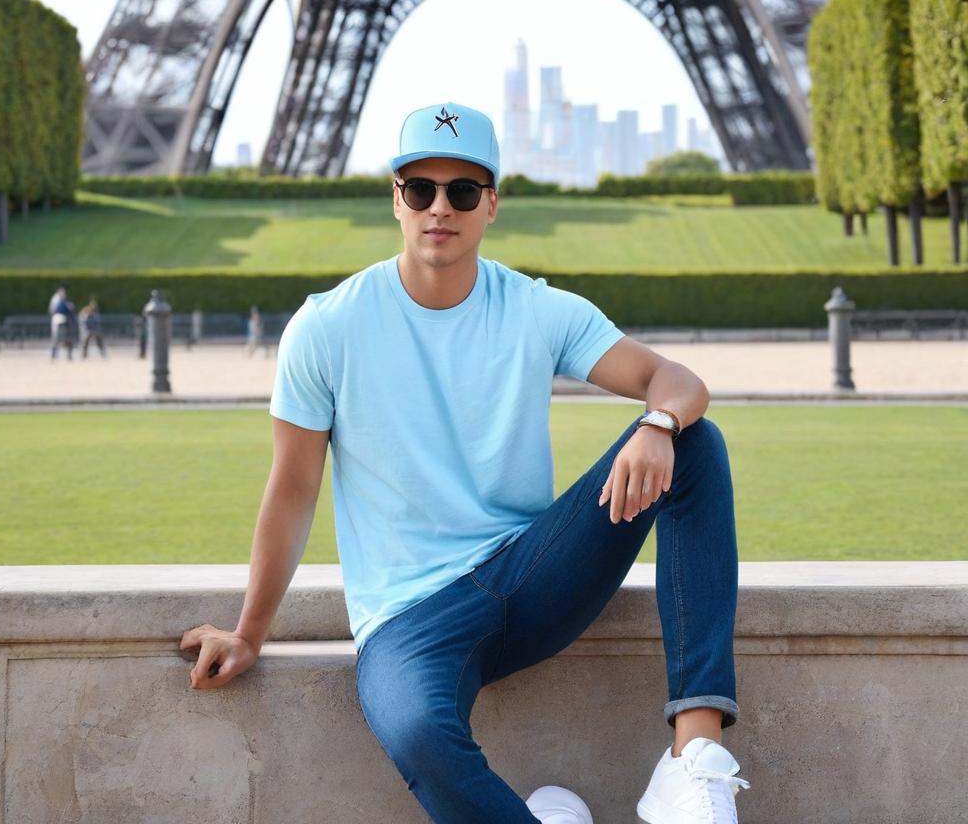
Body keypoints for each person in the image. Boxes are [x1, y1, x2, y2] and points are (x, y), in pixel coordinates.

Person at [180, 101, 748, 824]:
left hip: (532, 575)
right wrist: (249, 632)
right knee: (417, 732)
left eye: (462, 191)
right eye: (421, 189)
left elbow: (679, 381)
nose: (439, 207)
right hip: (409, 615)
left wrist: (657, 422)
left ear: (492, 206)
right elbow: (293, 491)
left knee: (695, 444)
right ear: (396, 199)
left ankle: (691, 761)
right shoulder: (326, 328)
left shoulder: (537, 308)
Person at [48, 285, 76, 361]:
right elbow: (54, 311)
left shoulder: (65, 302)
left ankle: (69, 356)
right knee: (56, 340)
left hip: (66, 323)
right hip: (58, 322)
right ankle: (54, 356)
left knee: (68, 340)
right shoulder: (56, 301)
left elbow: (71, 311)